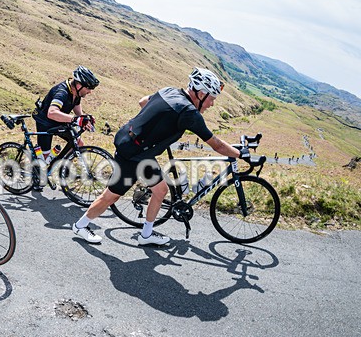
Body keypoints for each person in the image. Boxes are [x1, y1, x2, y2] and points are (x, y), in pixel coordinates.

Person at [71, 67, 247, 246]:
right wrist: (240, 154)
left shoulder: (169, 91)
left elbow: (143, 102)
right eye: (212, 98)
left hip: (137, 148)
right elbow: (216, 144)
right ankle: (80, 225)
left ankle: (146, 235)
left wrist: (157, 125)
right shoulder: (189, 113)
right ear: (201, 94)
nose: (212, 104)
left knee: (161, 190)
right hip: (132, 153)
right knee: (111, 196)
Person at [33, 65, 99, 158]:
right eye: (88, 88)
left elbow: (76, 105)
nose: (90, 91)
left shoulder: (76, 92)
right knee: (44, 158)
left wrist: (84, 118)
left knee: (78, 143)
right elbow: (52, 113)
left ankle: (61, 165)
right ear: (79, 85)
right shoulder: (62, 93)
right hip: (45, 122)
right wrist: (76, 119)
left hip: (58, 121)